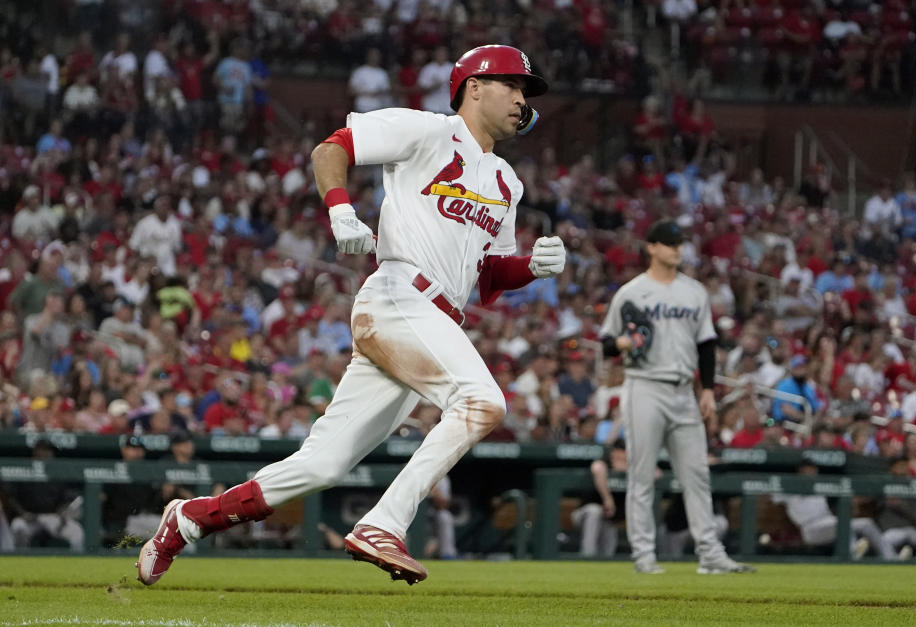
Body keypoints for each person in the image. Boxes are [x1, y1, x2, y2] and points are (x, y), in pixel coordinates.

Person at [137, 45, 564, 587]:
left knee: (322, 465)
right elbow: (330, 149)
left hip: (430, 321)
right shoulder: (426, 131)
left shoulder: (508, 182)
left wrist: (532, 267)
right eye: (514, 85)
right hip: (399, 297)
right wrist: (341, 210)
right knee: (482, 402)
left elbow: (487, 278)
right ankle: (386, 522)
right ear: (474, 86)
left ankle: (189, 520)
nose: (522, 99)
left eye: (525, 91)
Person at [598, 219, 753, 575]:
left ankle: (710, 554)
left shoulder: (694, 292)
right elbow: (608, 344)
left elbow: (707, 344)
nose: (676, 249)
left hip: (684, 389)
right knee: (641, 474)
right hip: (644, 386)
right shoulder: (632, 292)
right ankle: (644, 556)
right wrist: (624, 343)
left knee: (697, 474)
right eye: (669, 243)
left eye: (679, 243)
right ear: (651, 247)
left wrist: (710, 390)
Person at [571, 439, 627, 558]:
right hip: (584, 515)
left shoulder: (634, 467)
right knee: (594, 511)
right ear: (614, 452)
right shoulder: (604, 463)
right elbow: (597, 467)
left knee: (608, 550)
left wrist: (628, 471)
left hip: (609, 520)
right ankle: (587, 556)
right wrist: (607, 499)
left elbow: (655, 472)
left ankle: (605, 564)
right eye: (621, 451)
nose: (623, 454)